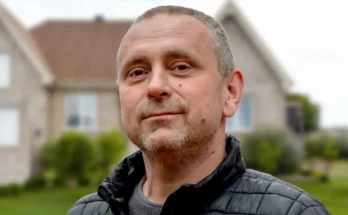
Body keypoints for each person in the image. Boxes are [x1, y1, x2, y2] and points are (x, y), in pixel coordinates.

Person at [67, 5, 331, 215]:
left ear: (230, 92)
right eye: (137, 72)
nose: (155, 86)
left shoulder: (294, 212)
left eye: (181, 66)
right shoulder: (85, 212)